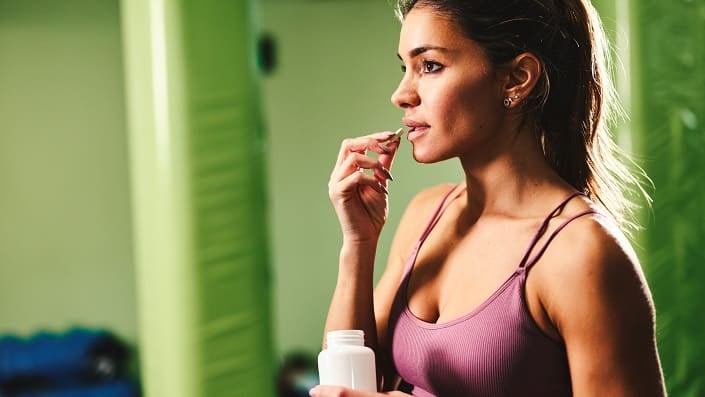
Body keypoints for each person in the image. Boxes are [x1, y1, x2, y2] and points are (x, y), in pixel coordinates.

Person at [310, 0, 666, 396]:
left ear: (516, 79)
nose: (401, 94)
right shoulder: (426, 215)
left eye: (429, 66)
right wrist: (358, 244)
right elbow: (347, 384)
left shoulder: (580, 253)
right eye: (404, 68)